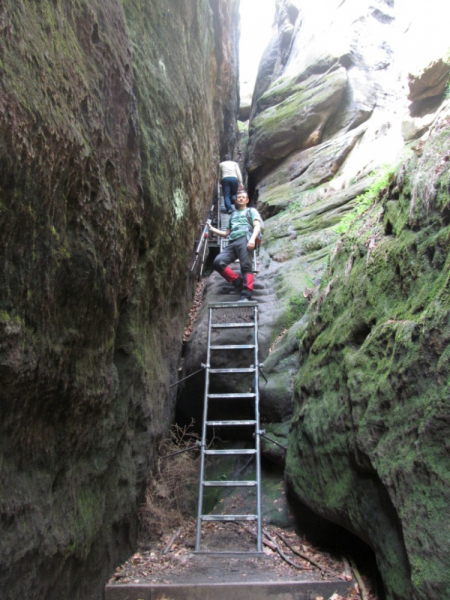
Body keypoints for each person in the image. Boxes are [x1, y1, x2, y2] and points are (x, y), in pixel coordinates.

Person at [208, 190, 261, 302]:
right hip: (232, 241)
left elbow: (257, 226)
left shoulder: (251, 211)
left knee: (246, 266)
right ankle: (237, 282)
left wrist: (252, 239)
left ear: (247, 200)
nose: (241, 199)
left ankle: (246, 294)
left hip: (245, 238)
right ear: (236, 200)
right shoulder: (232, 215)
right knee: (218, 262)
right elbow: (226, 233)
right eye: (239, 197)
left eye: (243, 197)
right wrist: (213, 229)